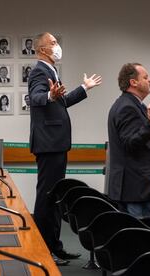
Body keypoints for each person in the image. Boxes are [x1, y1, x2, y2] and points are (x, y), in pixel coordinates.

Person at [28, 32, 102, 266]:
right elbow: (35, 96)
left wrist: (84, 87)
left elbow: (63, 102)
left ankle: (55, 247)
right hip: (49, 144)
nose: (57, 46)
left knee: (55, 197)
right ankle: (44, 250)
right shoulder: (39, 71)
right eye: (53, 43)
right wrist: (49, 94)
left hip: (56, 143)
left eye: (57, 42)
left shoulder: (51, 71)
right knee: (46, 198)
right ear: (42, 50)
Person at [107, 62, 150, 217]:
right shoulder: (127, 107)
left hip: (135, 187)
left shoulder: (133, 105)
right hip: (133, 190)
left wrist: (149, 121)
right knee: (140, 239)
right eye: (146, 77)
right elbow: (131, 144)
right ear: (133, 82)